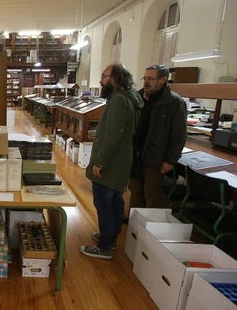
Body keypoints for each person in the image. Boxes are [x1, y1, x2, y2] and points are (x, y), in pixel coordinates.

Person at [80, 64, 143, 259]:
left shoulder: (118, 101)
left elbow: (112, 137)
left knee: (104, 203)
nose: (101, 80)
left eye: (104, 76)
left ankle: (106, 247)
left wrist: (100, 163)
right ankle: (110, 238)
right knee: (115, 201)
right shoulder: (132, 97)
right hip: (122, 160)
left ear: (115, 79)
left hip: (111, 163)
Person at [128, 64, 187, 208]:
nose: (146, 82)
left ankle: (149, 226)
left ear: (163, 80)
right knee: (135, 190)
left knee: (152, 194)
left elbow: (179, 135)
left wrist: (170, 160)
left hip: (155, 158)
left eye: (151, 79)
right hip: (136, 154)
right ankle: (134, 224)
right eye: (145, 78)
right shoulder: (138, 97)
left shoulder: (174, 102)